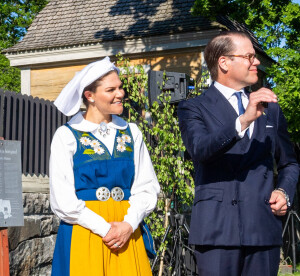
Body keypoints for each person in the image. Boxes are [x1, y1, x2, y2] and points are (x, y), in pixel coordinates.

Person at [177, 31, 299, 276]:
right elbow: (200, 149)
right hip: (216, 230)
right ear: (224, 62)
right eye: (249, 57)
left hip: (262, 227)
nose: (256, 62)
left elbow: (290, 163)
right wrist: (243, 120)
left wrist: (284, 191)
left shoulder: (271, 109)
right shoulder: (193, 107)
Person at [50, 57, 160, 275]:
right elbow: (62, 199)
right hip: (85, 231)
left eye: (120, 87)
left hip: (127, 231)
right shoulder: (67, 135)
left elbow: (146, 186)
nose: (120, 94)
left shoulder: (132, 132)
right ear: (90, 96)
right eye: (111, 89)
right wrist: (106, 229)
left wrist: (128, 225)